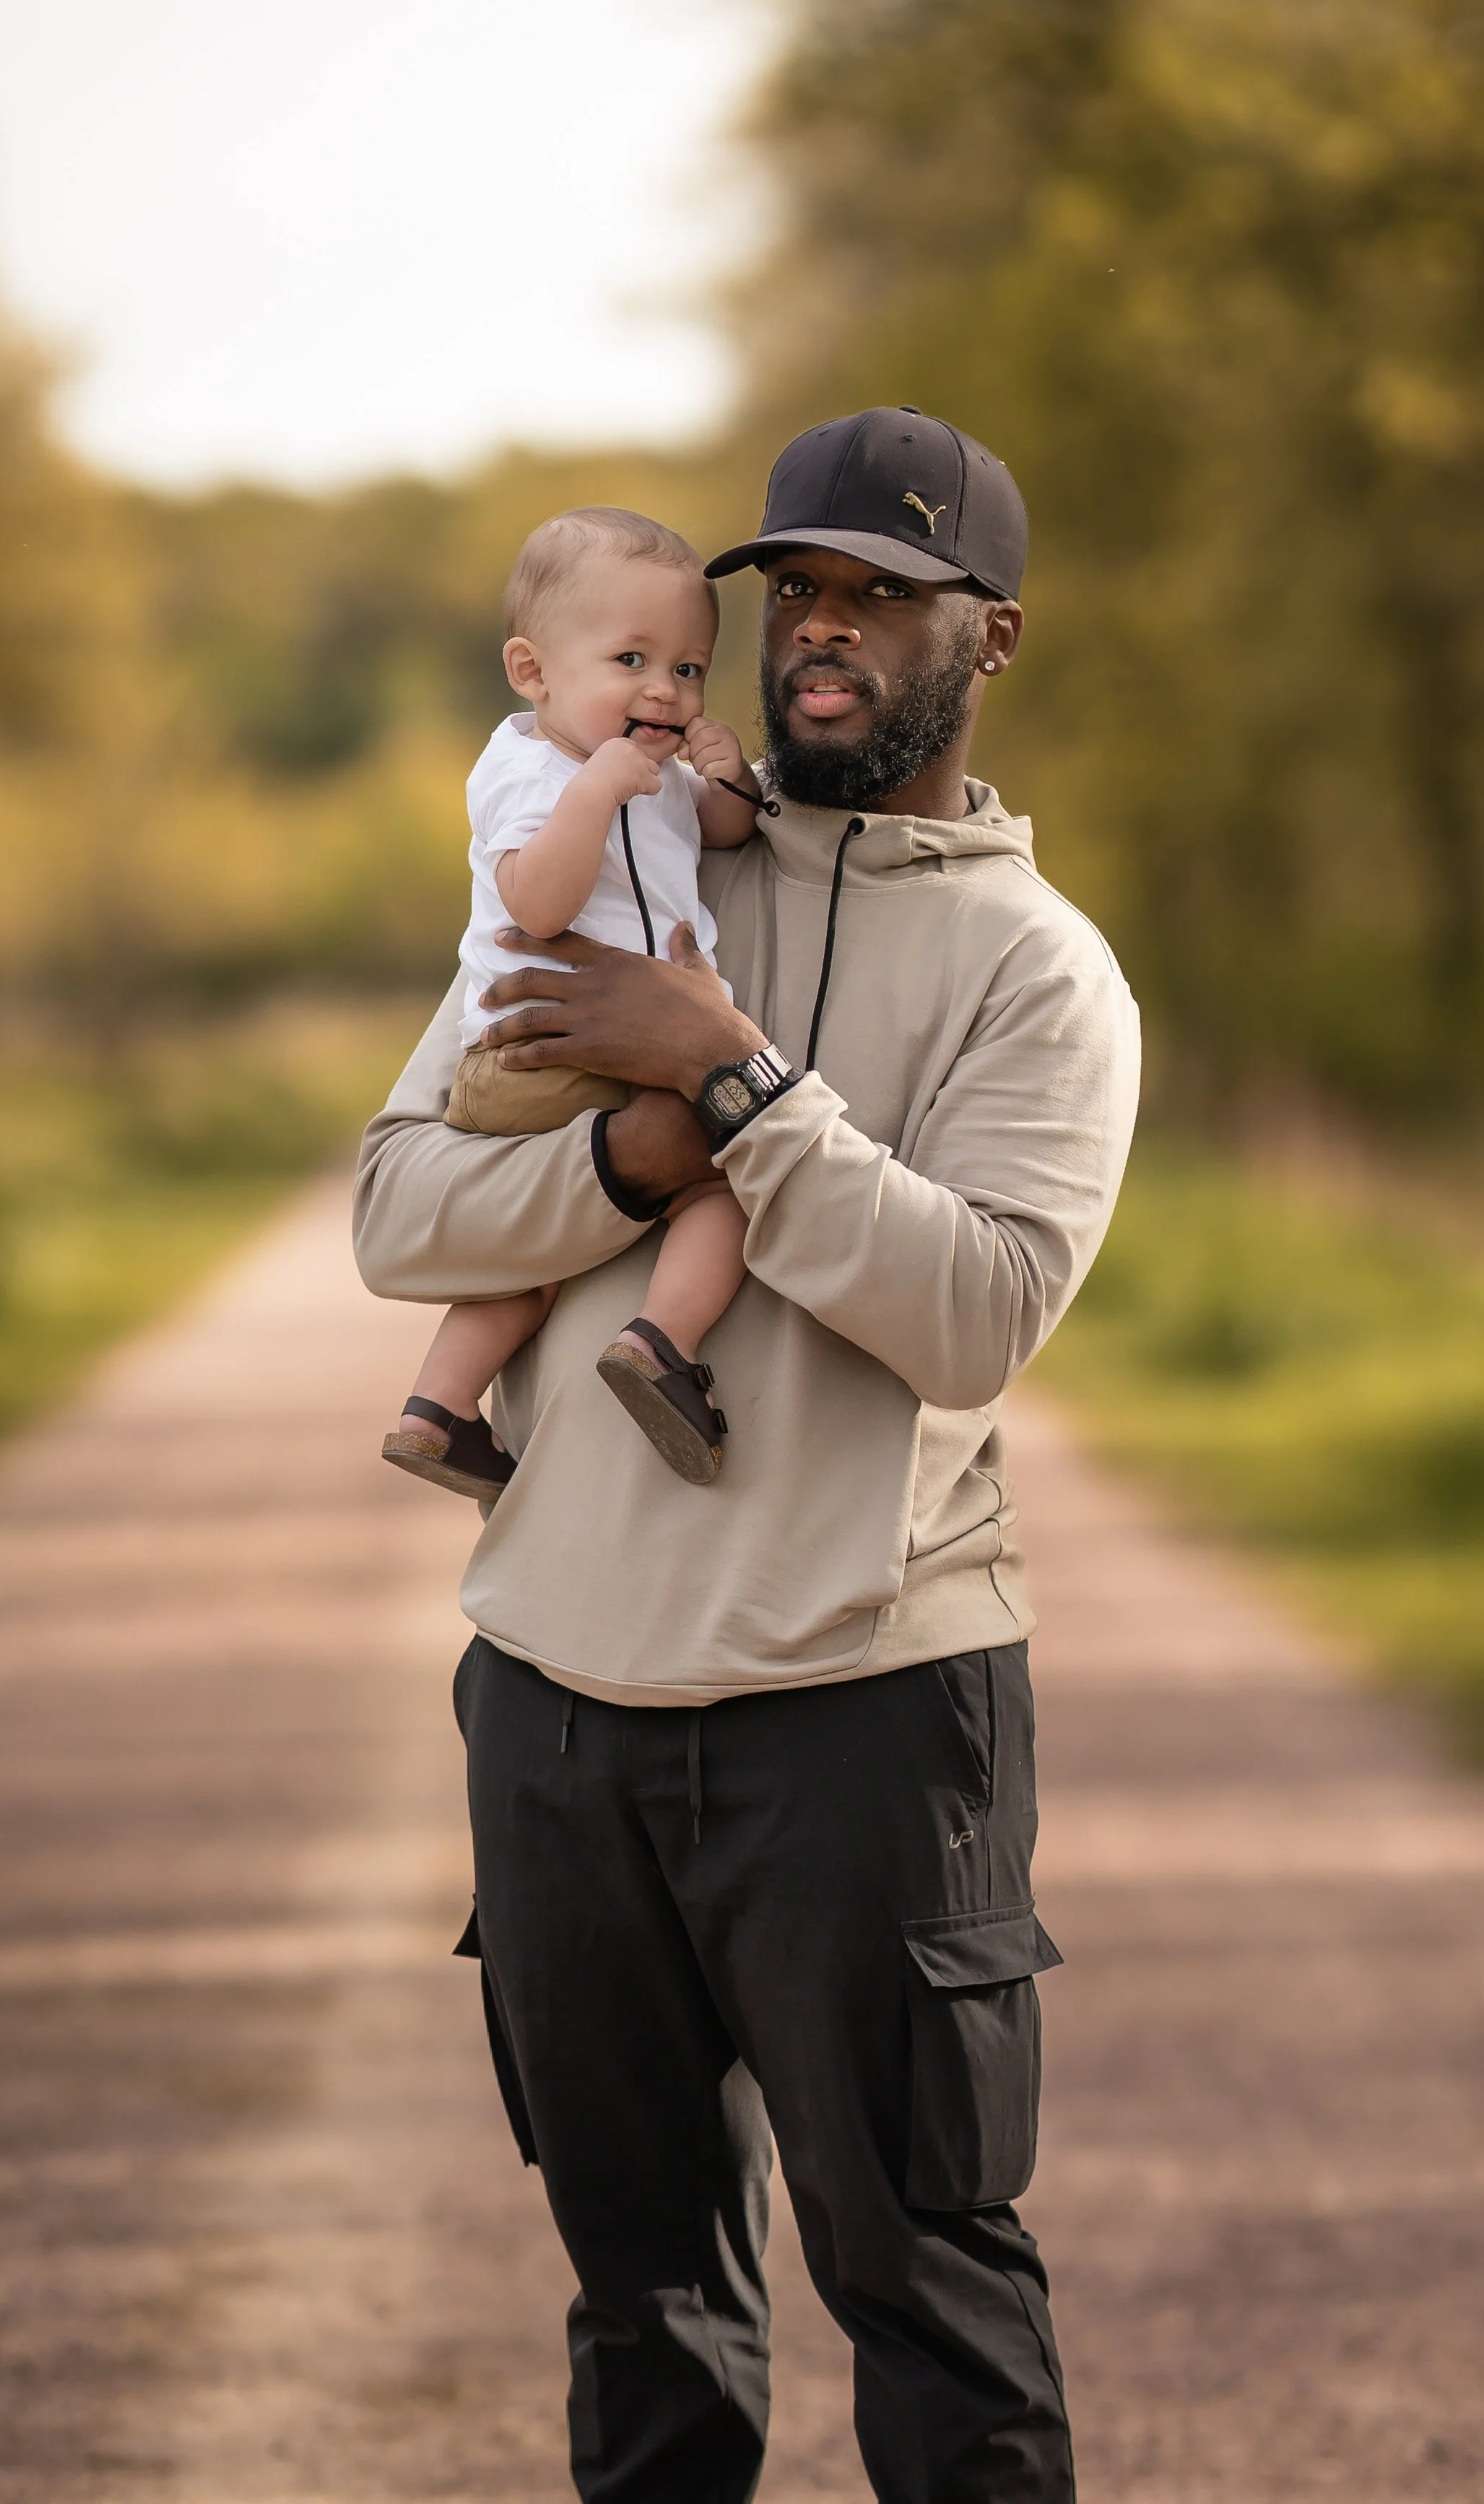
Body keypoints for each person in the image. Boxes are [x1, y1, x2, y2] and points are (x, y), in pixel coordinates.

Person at [354, 406, 1142, 2504]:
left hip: (864, 1708)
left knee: (924, 2281)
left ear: (991, 639)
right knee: (642, 2302)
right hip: (554, 1704)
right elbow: (400, 1217)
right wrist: (632, 1144)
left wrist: (739, 1089)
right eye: (794, 593)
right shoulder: (633, 858)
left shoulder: (1037, 974)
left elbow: (974, 1311)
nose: (821, 635)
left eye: (880, 599)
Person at [381, 507, 760, 1501]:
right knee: (726, 1184)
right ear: (532, 671)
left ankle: (439, 1412)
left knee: (535, 1260)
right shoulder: (530, 769)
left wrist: (728, 779)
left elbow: (720, 833)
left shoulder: (659, 769)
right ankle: (661, 1345)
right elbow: (538, 902)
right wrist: (596, 790)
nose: (663, 689)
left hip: (596, 1055)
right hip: (544, 1052)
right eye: (630, 657)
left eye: (688, 668)